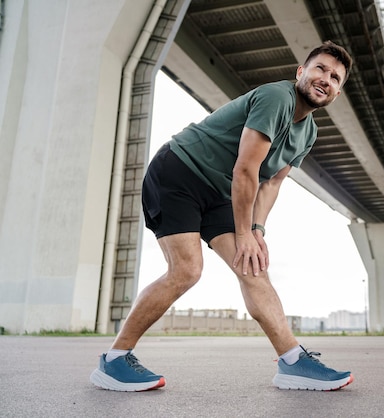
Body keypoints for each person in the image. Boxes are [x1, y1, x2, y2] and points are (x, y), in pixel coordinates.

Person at [90, 41, 354, 392]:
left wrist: (256, 230)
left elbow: (271, 182)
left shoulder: (308, 132)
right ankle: (114, 361)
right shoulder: (278, 98)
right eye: (320, 68)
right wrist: (242, 233)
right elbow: (247, 169)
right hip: (179, 171)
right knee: (186, 270)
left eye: (335, 77)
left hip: (220, 192)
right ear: (300, 72)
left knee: (253, 266)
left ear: (337, 92)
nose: (326, 79)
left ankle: (292, 363)